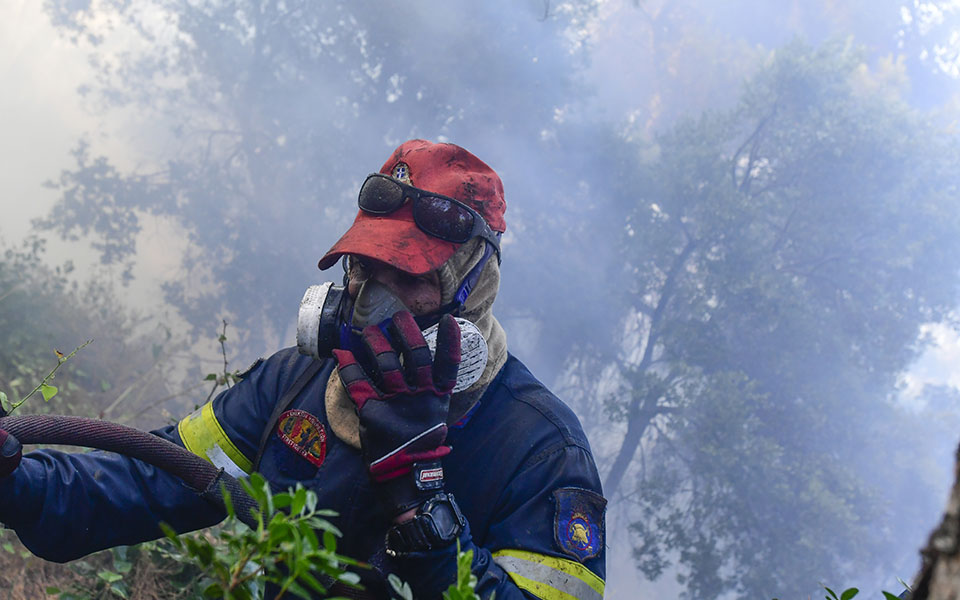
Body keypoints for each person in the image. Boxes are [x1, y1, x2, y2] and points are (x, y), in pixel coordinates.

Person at [0, 140, 607, 600]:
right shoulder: (297, 383)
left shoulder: (540, 450)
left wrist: (422, 506)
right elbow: (142, 482)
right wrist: (14, 478)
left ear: (476, 288)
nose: (374, 301)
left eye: (410, 276)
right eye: (366, 268)